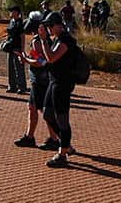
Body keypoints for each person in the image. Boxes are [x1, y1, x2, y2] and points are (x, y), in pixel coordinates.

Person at [13, 15, 59, 151]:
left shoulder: (38, 41)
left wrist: (25, 60)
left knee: (43, 110)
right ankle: (30, 136)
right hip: (38, 79)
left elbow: (41, 62)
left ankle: (54, 138)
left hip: (41, 79)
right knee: (33, 108)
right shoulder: (42, 40)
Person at [41, 12, 79, 168]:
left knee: (62, 119)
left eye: (50, 25)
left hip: (62, 84)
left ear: (58, 25)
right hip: (54, 81)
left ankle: (62, 154)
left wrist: (43, 40)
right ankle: (66, 145)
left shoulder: (66, 40)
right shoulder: (57, 38)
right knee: (47, 114)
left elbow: (51, 57)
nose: (49, 28)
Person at [3, 5, 27, 94]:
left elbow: (22, 36)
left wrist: (22, 49)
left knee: (18, 68)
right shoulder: (11, 21)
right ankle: (12, 86)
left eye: (12, 11)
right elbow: (8, 34)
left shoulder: (20, 23)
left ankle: (22, 87)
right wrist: (5, 42)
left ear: (17, 12)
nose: (10, 13)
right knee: (11, 68)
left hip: (17, 47)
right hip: (10, 48)